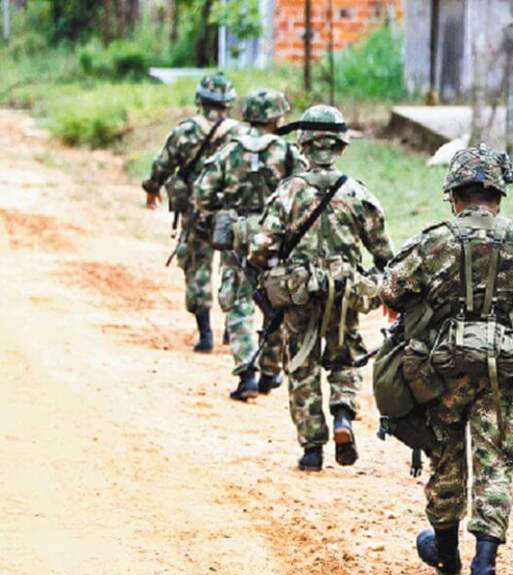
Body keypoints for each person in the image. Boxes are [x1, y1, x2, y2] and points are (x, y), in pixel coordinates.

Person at [380, 144, 513, 575]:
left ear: (454, 193)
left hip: (442, 369)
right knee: (495, 463)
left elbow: (391, 287)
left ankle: (447, 553)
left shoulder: (435, 240)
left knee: (446, 456)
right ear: (499, 193)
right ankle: (484, 570)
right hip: (503, 369)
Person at [248, 105, 393, 471]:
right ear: (341, 147)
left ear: (303, 147)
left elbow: (260, 246)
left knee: (301, 363)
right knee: (345, 357)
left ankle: (312, 447)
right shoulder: (358, 193)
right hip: (345, 292)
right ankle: (343, 414)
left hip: (299, 293)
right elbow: (383, 253)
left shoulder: (288, 192)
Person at [192, 88, 304, 400]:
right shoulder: (286, 152)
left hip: (237, 238)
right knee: (275, 304)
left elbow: (202, 193)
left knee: (238, 304)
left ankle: (246, 375)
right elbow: (303, 193)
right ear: (275, 117)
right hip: (274, 238)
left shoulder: (229, 151)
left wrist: (221, 209)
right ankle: (270, 370)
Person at [142, 72, 241, 352]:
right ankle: (233, 331)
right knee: (233, 270)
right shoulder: (241, 134)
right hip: (232, 212)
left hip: (198, 211)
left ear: (200, 100)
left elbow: (163, 164)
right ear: (229, 102)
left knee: (197, 268)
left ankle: (205, 334)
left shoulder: (185, 131)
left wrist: (152, 188)